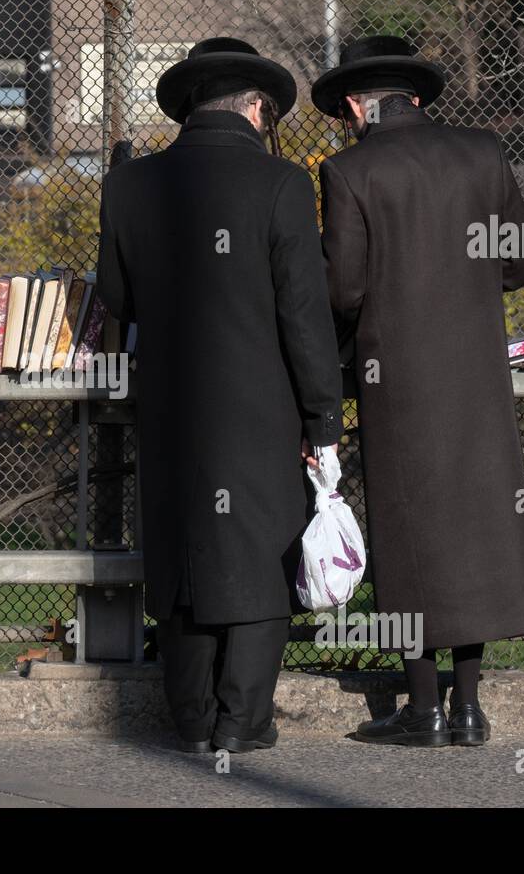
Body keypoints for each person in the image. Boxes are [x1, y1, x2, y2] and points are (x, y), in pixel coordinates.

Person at [97, 38, 342, 753]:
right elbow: (305, 314)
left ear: (190, 109)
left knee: (181, 554)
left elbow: (116, 296)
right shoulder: (282, 185)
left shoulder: (131, 185)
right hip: (262, 407)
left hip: (169, 403)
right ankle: (244, 723)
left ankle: (194, 718)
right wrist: (321, 416)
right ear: (259, 109)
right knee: (261, 553)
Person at [311, 35, 524, 747]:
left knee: (408, 531)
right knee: (473, 529)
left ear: (357, 104)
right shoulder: (483, 153)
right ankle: (468, 708)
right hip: (476, 374)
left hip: (397, 379)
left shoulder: (349, 170)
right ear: (413, 97)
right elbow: (523, 261)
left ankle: (421, 710)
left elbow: (345, 287)